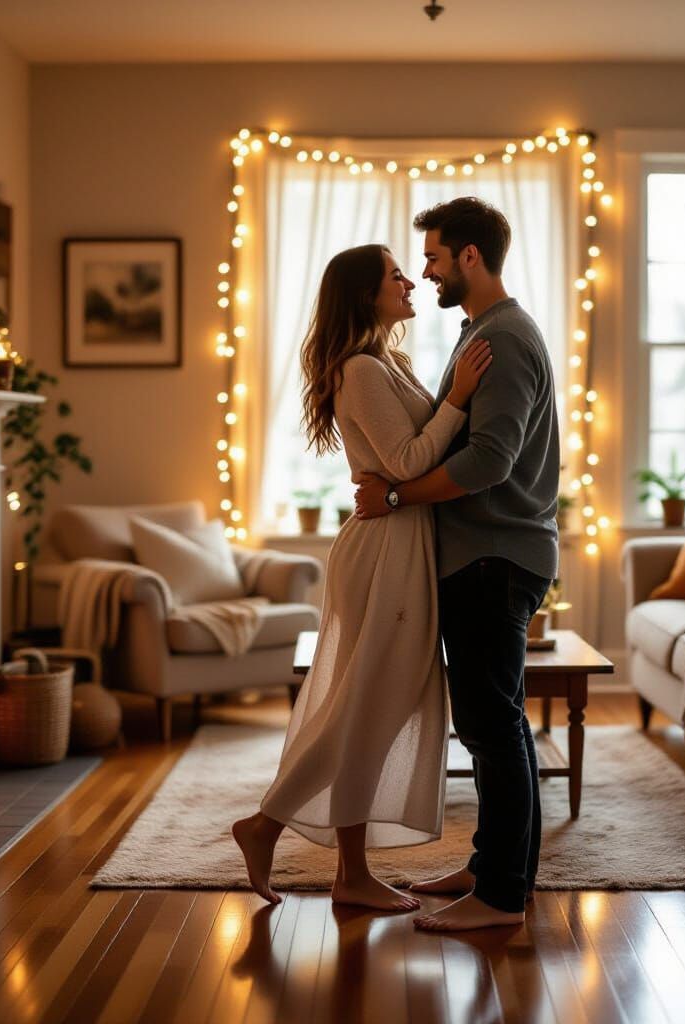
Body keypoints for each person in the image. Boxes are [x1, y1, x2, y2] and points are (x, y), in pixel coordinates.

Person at [232, 243, 492, 911]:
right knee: (366, 708)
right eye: (394, 275)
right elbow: (405, 461)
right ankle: (278, 832)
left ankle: (332, 863)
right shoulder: (360, 371)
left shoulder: (388, 363)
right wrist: (460, 399)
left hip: (401, 542)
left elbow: (412, 458)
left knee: (374, 708)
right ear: (363, 294)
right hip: (385, 550)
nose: (410, 281)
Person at [354, 197, 560, 932]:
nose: (428, 272)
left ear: (471, 257)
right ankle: (492, 867)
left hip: (494, 556)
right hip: (488, 553)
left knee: (492, 726)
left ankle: (501, 897)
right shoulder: (483, 332)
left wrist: (397, 495)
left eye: (436, 257)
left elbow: (487, 463)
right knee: (493, 723)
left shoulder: (502, 340)